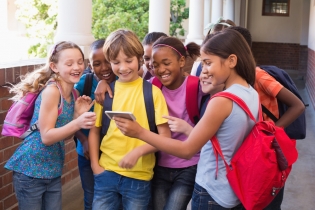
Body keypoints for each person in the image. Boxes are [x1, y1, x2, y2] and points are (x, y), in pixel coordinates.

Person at [113, 29, 259, 210]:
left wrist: (139, 132)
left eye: (207, 63)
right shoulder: (251, 93)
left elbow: (187, 150)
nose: (203, 71)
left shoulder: (221, 101)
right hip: (232, 188)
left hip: (211, 188)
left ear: (231, 61)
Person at [4, 41, 96, 210]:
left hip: (52, 171)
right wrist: (77, 122)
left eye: (80, 61)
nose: (76, 67)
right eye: (69, 63)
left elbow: (64, 135)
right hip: (30, 171)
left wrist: (77, 115)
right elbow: (46, 137)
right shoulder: (52, 91)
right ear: (54, 66)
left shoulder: (73, 93)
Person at [88, 29, 171, 210]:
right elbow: (95, 131)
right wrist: (95, 165)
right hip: (106, 172)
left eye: (129, 60)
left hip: (139, 177)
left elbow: (165, 137)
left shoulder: (153, 94)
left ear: (140, 58)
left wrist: (138, 152)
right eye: (116, 62)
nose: (123, 67)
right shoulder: (106, 93)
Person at [228, 26, 305, 210]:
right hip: (250, 150)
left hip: (268, 151)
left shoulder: (258, 75)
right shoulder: (233, 79)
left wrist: (270, 134)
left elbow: (298, 106)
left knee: (269, 201)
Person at [149, 36, 201, 210]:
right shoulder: (152, 87)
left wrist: (187, 129)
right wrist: (104, 83)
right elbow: (129, 83)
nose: (161, 69)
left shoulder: (196, 87)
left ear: (181, 61)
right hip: (160, 164)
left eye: (166, 63)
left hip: (189, 165)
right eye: (155, 65)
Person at [74, 38, 116, 210]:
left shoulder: (124, 81)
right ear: (90, 66)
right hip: (86, 153)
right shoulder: (85, 84)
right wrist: (83, 141)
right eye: (97, 63)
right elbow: (70, 118)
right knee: (91, 196)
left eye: (107, 61)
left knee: (113, 198)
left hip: (114, 153)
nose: (104, 68)